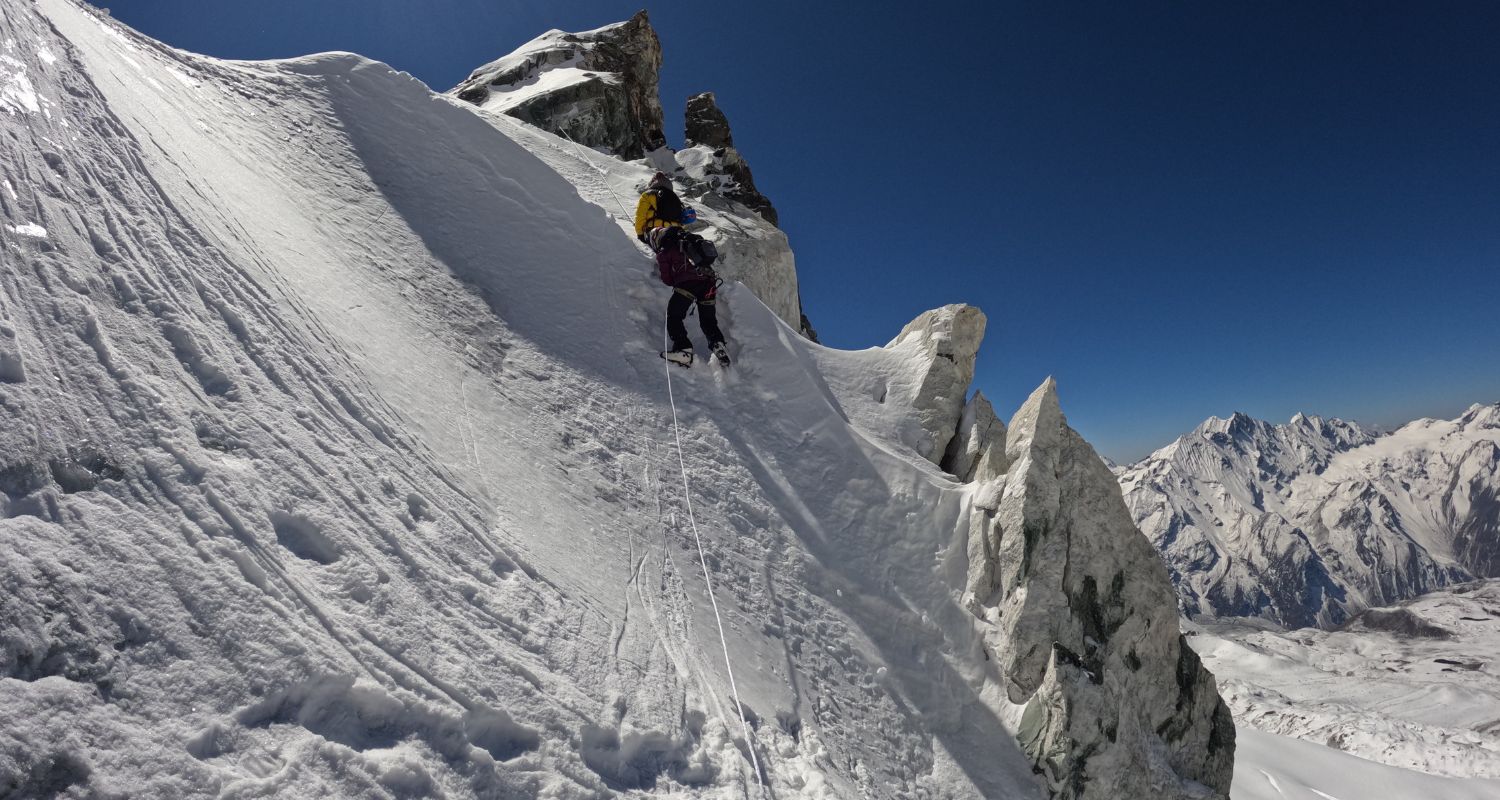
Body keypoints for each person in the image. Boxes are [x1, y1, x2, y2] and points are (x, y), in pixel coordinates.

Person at [647, 225, 729, 367]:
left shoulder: (665, 251)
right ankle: (718, 345)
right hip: (709, 283)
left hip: (688, 284)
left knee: (674, 315)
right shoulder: (690, 241)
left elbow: (667, 280)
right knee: (708, 320)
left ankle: (683, 349)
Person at [634, 171, 684, 241]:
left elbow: (640, 215)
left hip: (656, 230)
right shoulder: (675, 197)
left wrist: (640, 233)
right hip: (676, 231)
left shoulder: (648, 194)